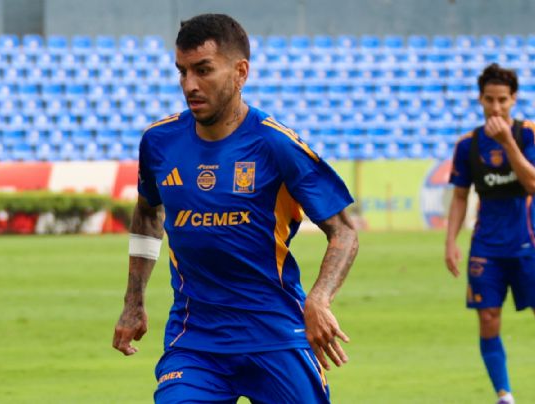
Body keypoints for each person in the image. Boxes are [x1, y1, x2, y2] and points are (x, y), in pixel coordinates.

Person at [112, 13, 359, 404]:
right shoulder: (159, 142)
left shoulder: (276, 145)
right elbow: (147, 214)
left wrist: (320, 297)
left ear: (240, 72)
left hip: (276, 334)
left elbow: (344, 230)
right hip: (195, 340)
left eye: (203, 70)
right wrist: (133, 302)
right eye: (182, 72)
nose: (189, 85)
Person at [444, 63, 535, 404]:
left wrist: (507, 142)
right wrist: (450, 242)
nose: (496, 107)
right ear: (480, 99)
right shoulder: (468, 145)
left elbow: (534, 183)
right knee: (488, 320)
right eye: (489, 99)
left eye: (502, 100)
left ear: (513, 99)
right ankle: (504, 396)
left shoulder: (530, 134)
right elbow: (460, 196)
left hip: (528, 244)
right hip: (486, 248)